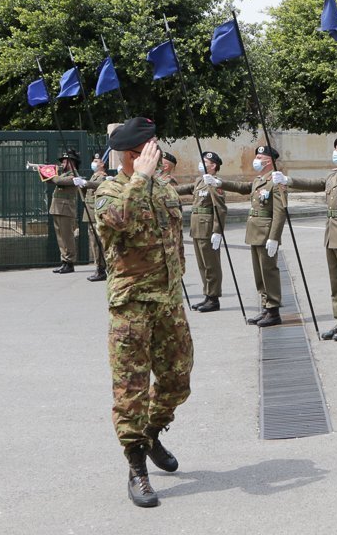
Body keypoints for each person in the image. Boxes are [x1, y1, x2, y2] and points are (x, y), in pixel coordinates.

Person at [94, 117, 193, 508]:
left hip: (168, 304)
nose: (156, 154)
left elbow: (175, 242)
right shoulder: (110, 190)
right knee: (130, 392)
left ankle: (151, 434)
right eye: (148, 150)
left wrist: (178, 284)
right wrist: (139, 178)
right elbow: (117, 223)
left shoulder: (164, 188)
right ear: (133, 156)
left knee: (177, 381)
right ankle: (136, 467)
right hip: (131, 308)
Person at [277, 135, 337, 341]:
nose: (336, 152)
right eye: (336, 149)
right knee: (335, 280)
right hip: (332, 233)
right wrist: (289, 181)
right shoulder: (333, 176)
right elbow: (315, 183)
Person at [206, 145, 287, 327]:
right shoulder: (259, 180)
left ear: (269, 160)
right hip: (254, 232)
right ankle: (266, 307)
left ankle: (273, 310)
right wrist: (219, 182)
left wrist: (274, 237)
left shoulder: (276, 181)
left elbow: (280, 212)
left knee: (269, 272)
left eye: (260, 156)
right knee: (259, 273)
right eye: (256, 156)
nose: (256, 159)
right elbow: (243, 187)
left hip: (266, 233)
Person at [174, 151, 228, 313]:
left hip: (207, 229)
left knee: (211, 265)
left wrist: (217, 231)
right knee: (202, 265)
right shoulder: (199, 181)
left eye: (205, 162)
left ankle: (214, 298)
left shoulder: (215, 183)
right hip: (197, 228)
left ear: (213, 166)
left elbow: (220, 209)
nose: (201, 164)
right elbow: (183, 189)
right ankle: (207, 295)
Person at [47, 149, 83, 274]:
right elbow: (51, 180)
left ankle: (70, 262)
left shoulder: (74, 175)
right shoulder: (64, 174)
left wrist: (51, 173)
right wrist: (44, 172)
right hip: (57, 208)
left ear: (71, 162)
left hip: (66, 209)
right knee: (60, 237)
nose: (62, 163)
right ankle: (64, 261)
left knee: (67, 237)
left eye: (64, 161)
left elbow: (57, 181)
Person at [84, 153, 109, 283]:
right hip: (90, 213)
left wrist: (86, 183)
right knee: (94, 243)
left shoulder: (102, 177)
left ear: (102, 164)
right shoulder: (94, 176)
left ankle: (101, 268)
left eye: (96, 161)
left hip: (96, 214)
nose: (93, 163)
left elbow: (98, 186)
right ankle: (99, 267)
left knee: (98, 242)